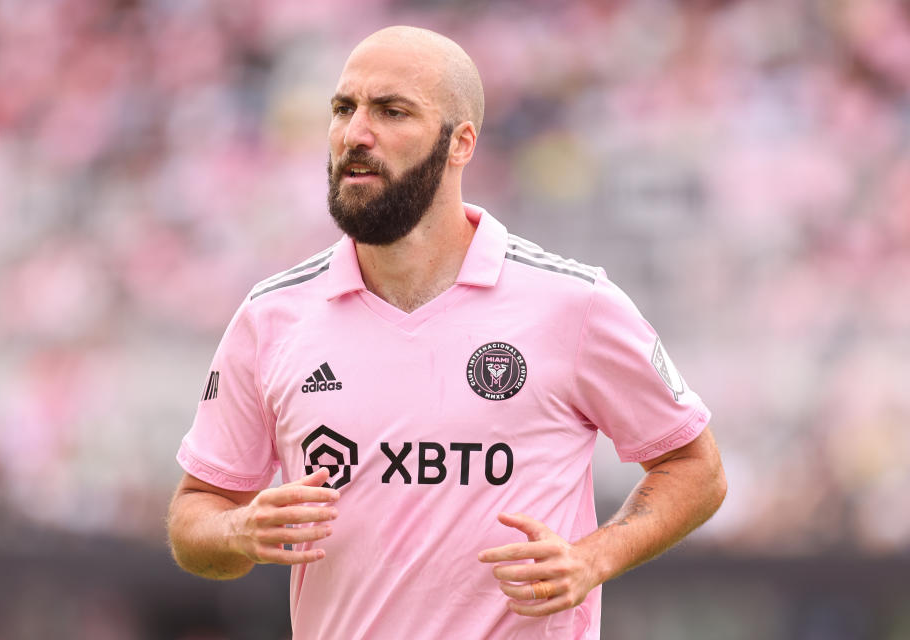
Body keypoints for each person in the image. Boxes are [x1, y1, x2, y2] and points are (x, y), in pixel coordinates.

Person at [167, 25, 726, 640]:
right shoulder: (272, 314)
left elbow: (694, 467)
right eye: (343, 108)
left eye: (391, 111)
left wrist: (593, 558)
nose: (355, 133)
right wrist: (236, 532)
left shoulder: (574, 303)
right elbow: (196, 515)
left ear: (460, 143)